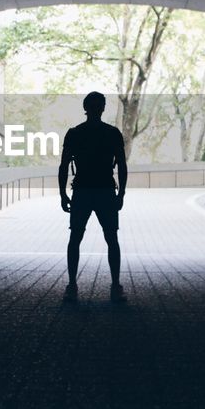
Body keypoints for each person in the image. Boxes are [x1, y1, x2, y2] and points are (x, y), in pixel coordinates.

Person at [59, 91, 128, 302]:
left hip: (82, 190)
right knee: (112, 239)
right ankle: (115, 286)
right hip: (106, 190)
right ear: (103, 108)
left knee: (75, 238)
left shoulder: (74, 133)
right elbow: (122, 166)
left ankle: (72, 285)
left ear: (85, 107)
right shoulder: (112, 133)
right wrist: (121, 193)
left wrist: (62, 193)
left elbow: (63, 166)